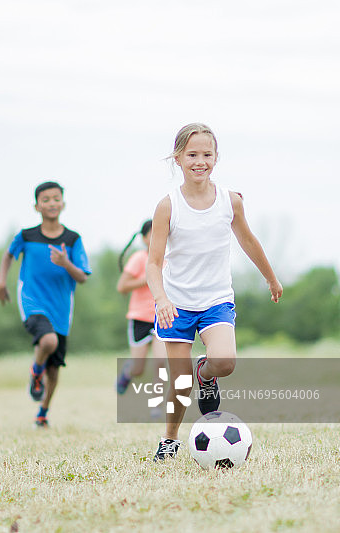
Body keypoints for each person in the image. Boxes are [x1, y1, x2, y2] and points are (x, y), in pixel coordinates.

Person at [146, 123, 282, 462]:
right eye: (192, 154)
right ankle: (170, 439)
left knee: (225, 361)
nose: (200, 161)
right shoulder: (168, 206)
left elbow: (248, 240)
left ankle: (205, 373)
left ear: (216, 158)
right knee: (179, 384)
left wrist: (270, 277)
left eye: (207, 154)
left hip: (215, 301)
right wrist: (161, 298)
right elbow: (153, 263)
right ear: (178, 158)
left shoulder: (230, 201)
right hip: (175, 304)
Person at [0, 181, 90, 429]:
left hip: (61, 309)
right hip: (32, 300)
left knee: (55, 369)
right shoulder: (27, 236)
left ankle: (42, 413)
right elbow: (8, 255)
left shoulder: (72, 239)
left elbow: (82, 276)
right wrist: (1, 282)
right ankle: (35, 370)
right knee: (48, 341)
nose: (51, 203)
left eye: (55, 198)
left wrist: (65, 263)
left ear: (63, 203)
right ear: (36, 206)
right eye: (45, 199)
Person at [114, 219, 167, 420]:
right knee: (138, 367)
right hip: (139, 318)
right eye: (152, 234)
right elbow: (122, 287)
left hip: (162, 316)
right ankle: (127, 373)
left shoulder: (171, 258)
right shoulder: (139, 258)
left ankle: (156, 406)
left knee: (161, 362)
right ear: (144, 238)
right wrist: (147, 278)